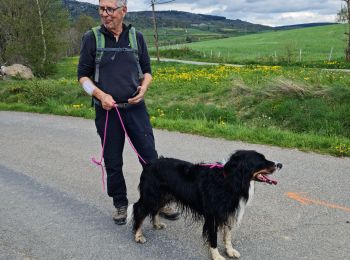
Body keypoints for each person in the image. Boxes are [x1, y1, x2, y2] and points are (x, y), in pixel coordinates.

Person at [77, 0, 179, 225]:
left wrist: (144, 88)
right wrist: (100, 95)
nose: (105, 14)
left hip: (136, 109)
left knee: (150, 158)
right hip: (107, 112)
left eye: (110, 9)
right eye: (101, 9)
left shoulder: (137, 37)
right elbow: (82, 77)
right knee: (113, 160)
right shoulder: (91, 38)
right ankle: (120, 204)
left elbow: (147, 71)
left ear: (124, 10)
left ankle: (161, 200)